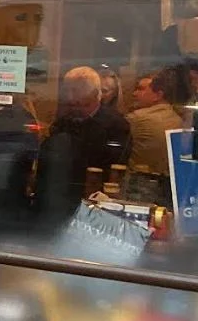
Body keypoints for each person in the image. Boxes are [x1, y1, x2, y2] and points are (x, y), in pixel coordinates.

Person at [32, 66, 132, 223]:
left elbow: (115, 169)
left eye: (80, 103)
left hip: (92, 206)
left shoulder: (116, 125)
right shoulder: (64, 121)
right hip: (55, 202)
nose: (72, 102)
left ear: (95, 96)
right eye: (69, 97)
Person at [126, 71, 186, 175]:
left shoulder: (137, 118)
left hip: (137, 181)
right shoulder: (179, 121)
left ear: (158, 95)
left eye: (141, 89)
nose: (134, 94)